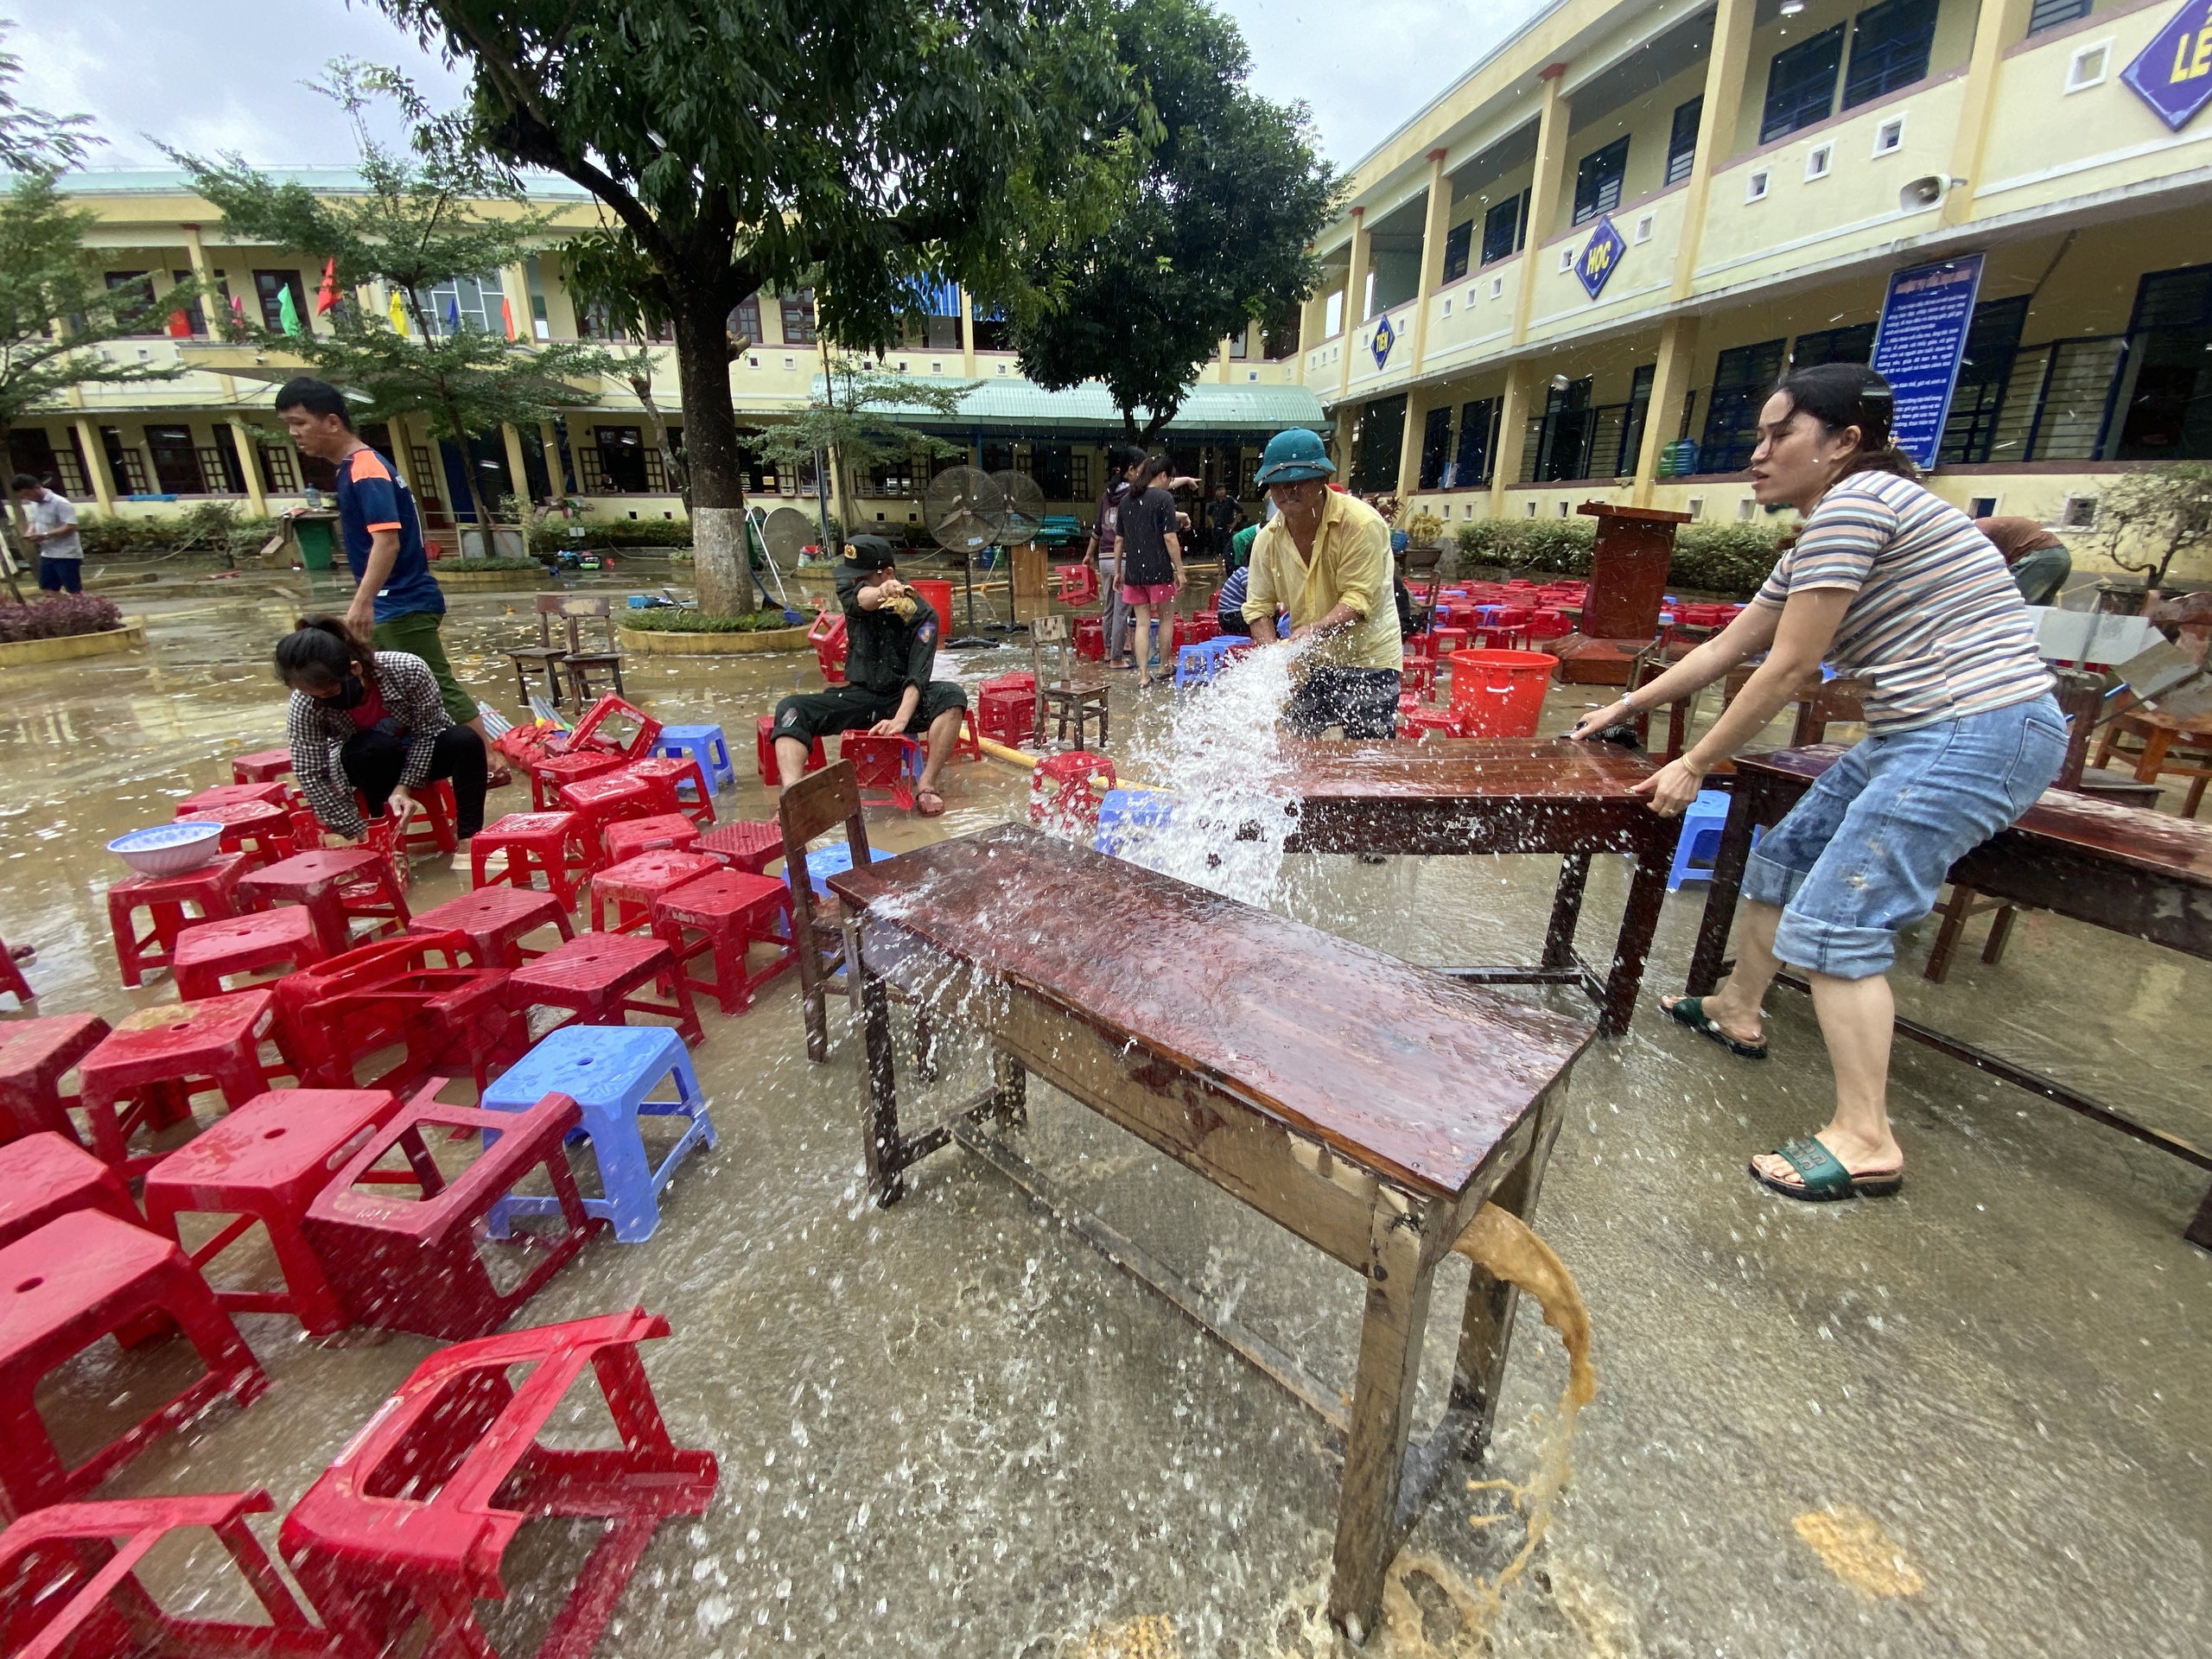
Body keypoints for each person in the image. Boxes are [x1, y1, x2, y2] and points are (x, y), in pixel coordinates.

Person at [1569, 364, 2067, 1204]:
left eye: (1778, 436)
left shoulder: (1855, 507)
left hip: (1975, 731)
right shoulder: (1827, 526)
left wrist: (1693, 763)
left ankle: (1865, 1137)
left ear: (1844, 443)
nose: (1757, 456)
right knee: (1788, 853)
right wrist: (1623, 705)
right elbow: (1727, 648)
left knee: (1839, 917)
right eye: (1756, 437)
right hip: (1922, 731)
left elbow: (1789, 669)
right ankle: (1737, 1006)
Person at [273, 378, 493, 759]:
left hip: (402, 600)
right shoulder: (352, 469)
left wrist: (362, 602)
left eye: (300, 423)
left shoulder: (366, 469)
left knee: (435, 683)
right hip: (395, 600)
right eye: (289, 425)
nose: (295, 433)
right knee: (388, 686)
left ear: (331, 422)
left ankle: (487, 758)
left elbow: (387, 540)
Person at [770, 536, 969, 817]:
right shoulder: (852, 590)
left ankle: (926, 785)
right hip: (858, 697)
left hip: (901, 701)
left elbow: (918, 676)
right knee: (790, 709)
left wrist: (900, 719)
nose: (854, 582)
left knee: (952, 696)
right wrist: (881, 592)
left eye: (861, 577)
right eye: (854, 579)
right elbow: (860, 599)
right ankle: (792, 796)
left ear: (888, 572)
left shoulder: (923, 616)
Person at [276, 616, 488, 872]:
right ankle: (386, 842)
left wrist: (405, 786)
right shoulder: (306, 702)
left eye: (330, 693)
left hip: (420, 750)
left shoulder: (408, 670)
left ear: (355, 669)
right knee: (373, 748)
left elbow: (427, 732)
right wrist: (361, 830)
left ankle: (469, 841)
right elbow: (310, 772)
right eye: (315, 696)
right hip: (367, 763)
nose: (323, 701)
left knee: (465, 741)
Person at [1243, 428, 1402, 737]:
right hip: (1311, 661)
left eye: (1297, 482)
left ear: (1321, 481)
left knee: (1367, 759)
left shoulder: (1361, 524)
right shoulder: (1267, 540)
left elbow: (1358, 600)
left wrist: (1311, 631)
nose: (1287, 493)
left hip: (1369, 658)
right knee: (1291, 746)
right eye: (1278, 484)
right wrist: (1273, 653)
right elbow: (1258, 607)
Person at [1116, 455, 1185, 689]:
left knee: (1142, 623)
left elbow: (1119, 540)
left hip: (1134, 572)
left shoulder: (1126, 500)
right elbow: (1169, 537)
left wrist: (1118, 571)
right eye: (1170, 479)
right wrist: (1180, 569)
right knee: (1166, 618)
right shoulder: (1164, 498)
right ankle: (1164, 667)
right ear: (1163, 475)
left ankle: (1144, 675)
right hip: (1159, 570)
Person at [1084, 446, 1144, 671]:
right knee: (1122, 609)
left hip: (1104, 558)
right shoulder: (1134, 495)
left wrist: (1089, 554)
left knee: (1109, 607)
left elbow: (1098, 529)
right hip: (1123, 557)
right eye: (1142, 469)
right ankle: (1117, 658)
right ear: (1131, 470)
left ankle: (1109, 651)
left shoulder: (1107, 494)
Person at [1974, 515, 2072, 607]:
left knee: (2006, 603)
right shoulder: (1987, 525)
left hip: (2042, 556)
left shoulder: (1975, 531)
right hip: (2061, 557)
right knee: (2038, 609)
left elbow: (1982, 566)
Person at [14, 475, 80, 594]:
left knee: (73, 589)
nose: (28, 498)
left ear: (37, 487)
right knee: (47, 587)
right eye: (24, 496)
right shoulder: (34, 504)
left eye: (28, 494)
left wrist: (45, 535)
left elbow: (71, 526)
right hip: (47, 553)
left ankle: (84, 609)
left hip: (66, 554)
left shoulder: (60, 503)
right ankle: (62, 610)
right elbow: (33, 521)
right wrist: (30, 531)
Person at [1206, 482, 1240, 562]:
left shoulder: (1230, 500)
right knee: (1217, 550)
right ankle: (1220, 569)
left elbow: (1240, 511)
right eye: (1218, 490)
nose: (1220, 492)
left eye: (1222, 489)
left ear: (1225, 490)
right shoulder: (1214, 503)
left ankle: (1228, 567)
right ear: (1215, 492)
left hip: (1227, 527)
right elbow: (1209, 514)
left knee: (1228, 548)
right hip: (1217, 528)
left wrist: (1234, 523)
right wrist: (1212, 524)